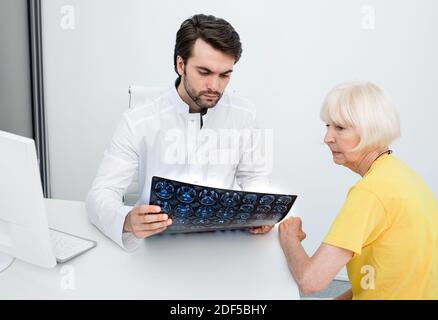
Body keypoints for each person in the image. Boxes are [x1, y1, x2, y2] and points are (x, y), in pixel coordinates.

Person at [86, 14, 273, 251]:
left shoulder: (244, 114)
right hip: (155, 244)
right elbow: (100, 194)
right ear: (180, 65)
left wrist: (261, 212)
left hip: (222, 244)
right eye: (204, 72)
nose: (215, 87)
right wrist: (126, 220)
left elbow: (254, 177)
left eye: (225, 75)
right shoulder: (138, 121)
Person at [278, 82, 438, 299]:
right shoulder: (404, 178)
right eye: (327, 126)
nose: (327, 138)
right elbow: (385, 281)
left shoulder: (371, 192)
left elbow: (310, 281)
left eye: (340, 128)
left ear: (371, 130)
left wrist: (289, 237)